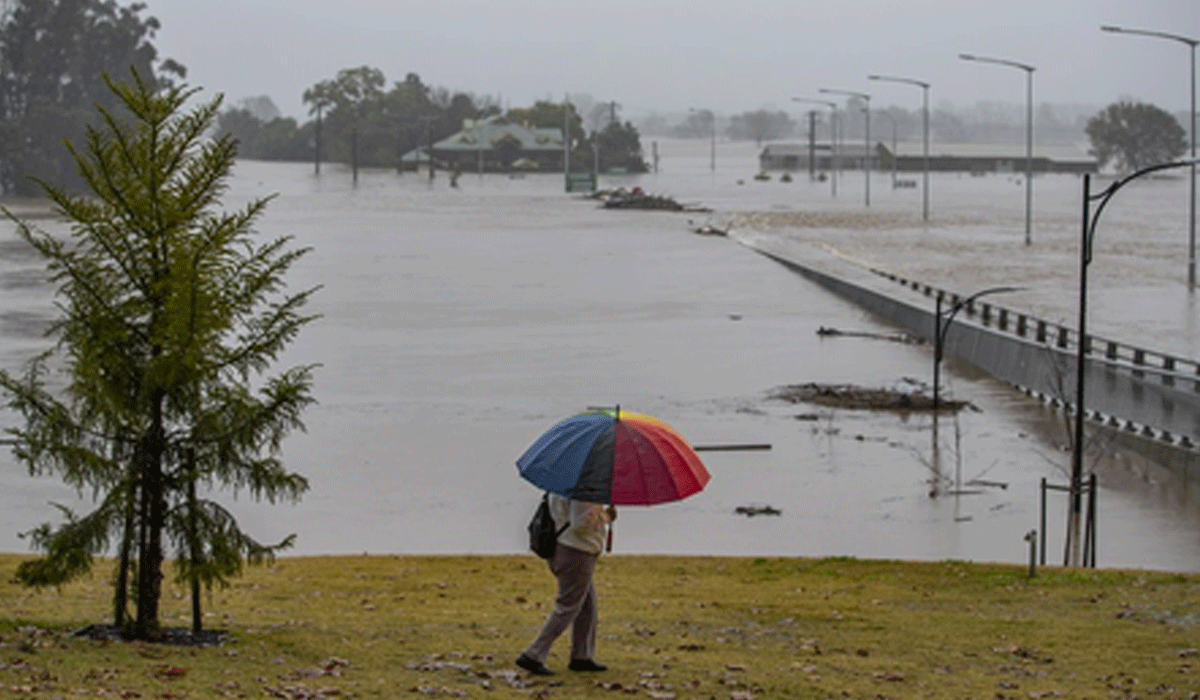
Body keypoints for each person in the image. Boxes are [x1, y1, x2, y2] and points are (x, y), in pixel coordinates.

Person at [515, 494, 617, 676]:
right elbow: (580, 525)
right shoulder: (583, 488)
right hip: (576, 552)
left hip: (562, 548)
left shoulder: (562, 484)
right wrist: (606, 517)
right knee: (567, 607)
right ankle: (533, 655)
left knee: (588, 605)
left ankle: (582, 656)